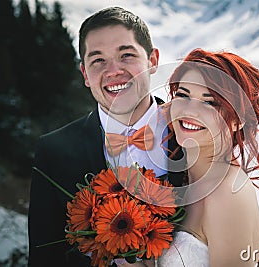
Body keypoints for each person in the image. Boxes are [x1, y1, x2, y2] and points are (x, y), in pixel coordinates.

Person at [28, 7, 184, 267]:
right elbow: (45, 256)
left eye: (126, 55)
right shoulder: (53, 151)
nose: (113, 71)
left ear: (153, 60)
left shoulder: (195, 136)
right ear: (85, 74)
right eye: (98, 60)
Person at [157, 48, 259, 267]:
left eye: (209, 102)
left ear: (238, 120)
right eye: (183, 95)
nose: (190, 111)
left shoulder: (228, 194)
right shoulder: (181, 175)